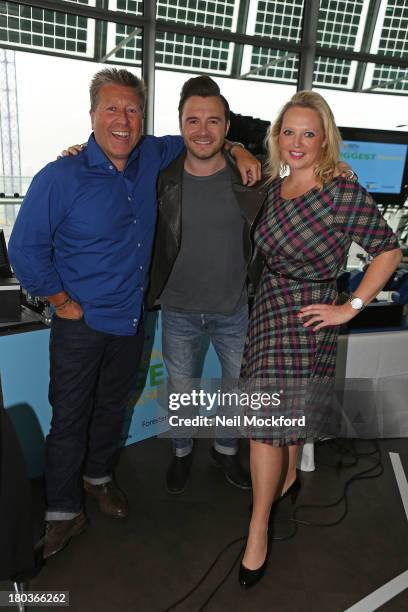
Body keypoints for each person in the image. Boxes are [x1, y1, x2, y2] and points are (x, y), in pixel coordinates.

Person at [8, 68, 259, 560]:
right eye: (112, 109)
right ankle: (63, 511)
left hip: (131, 322)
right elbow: (25, 248)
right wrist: (61, 303)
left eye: (132, 110)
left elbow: (211, 130)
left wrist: (241, 148)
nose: (123, 119)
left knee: (111, 409)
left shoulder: (154, 155)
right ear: (93, 115)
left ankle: (98, 478)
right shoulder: (60, 176)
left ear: (143, 117)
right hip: (79, 327)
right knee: (70, 418)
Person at [238, 90, 402, 588]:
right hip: (268, 308)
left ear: (325, 138)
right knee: (273, 419)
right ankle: (282, 485)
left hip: (311, 318)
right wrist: (236, 148)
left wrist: (348, 309)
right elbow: (214, 136)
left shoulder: (341, 192)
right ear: (276, 137)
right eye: (288, 132)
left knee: (274, 422)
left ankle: (257, 526)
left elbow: (387, 252)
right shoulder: (274, 186)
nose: (297, 141)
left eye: (309, 133)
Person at [147, 76, 268, 494]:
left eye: (213, 121)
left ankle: (225, 450)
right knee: (182, 393)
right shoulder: (161, 178)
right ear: (180, 124)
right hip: (179, 309)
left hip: (233, 309)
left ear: (227, 125)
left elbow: (301, 160)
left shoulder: (250, 176)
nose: (203, 130)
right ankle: (181, 453)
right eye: (193, 120)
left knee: (236, 391)